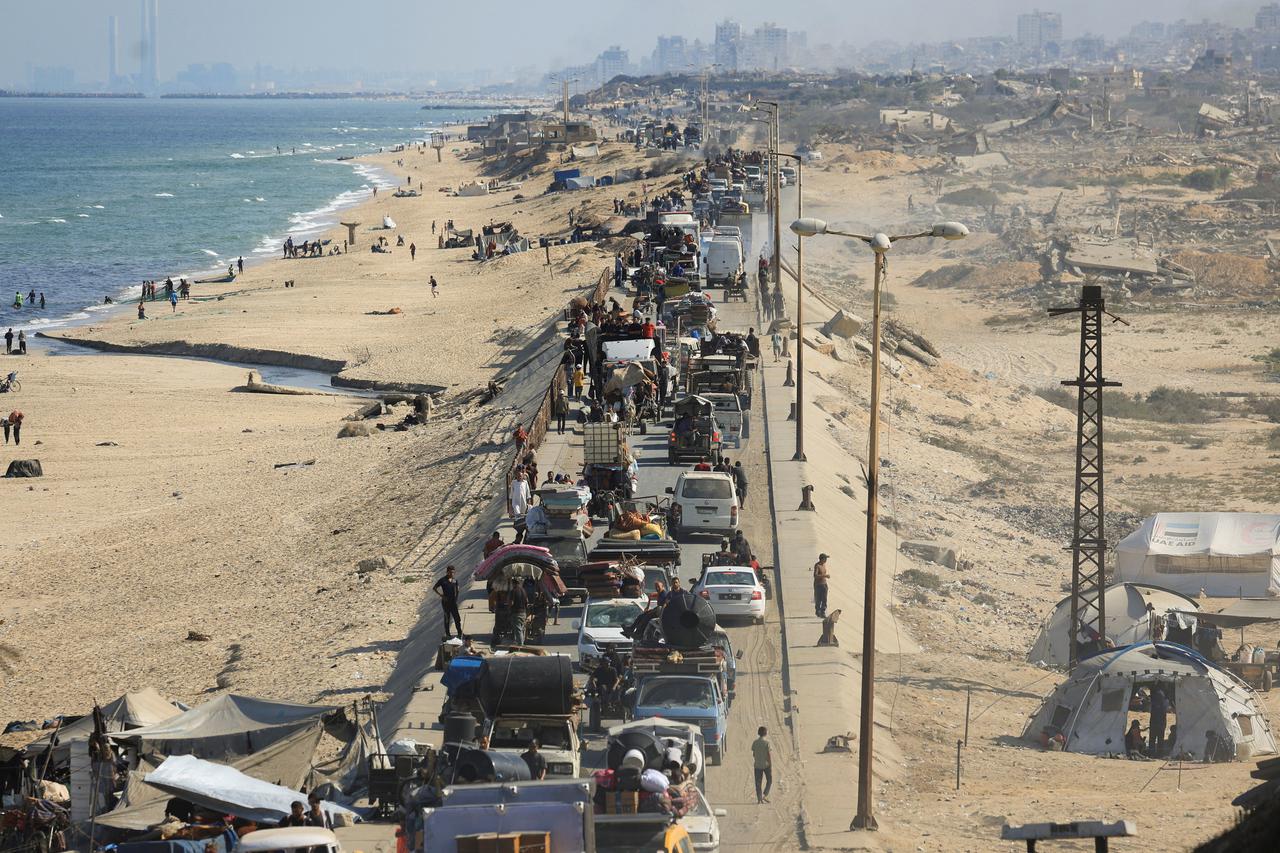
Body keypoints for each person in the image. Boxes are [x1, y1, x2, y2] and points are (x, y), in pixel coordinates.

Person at [434, 565, 463, 640]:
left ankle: (459, 633)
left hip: (453, 602)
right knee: (447, 618)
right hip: (445, 603)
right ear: (447, 572)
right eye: (450, 572)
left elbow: (458, 589)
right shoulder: (442, 580)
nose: (452, 574)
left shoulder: (454, 580)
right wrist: (441, 595)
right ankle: (448, 634)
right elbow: (434, 588)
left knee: (457, 618)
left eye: (453, 572)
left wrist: (456, 598)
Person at [752, 726, 773, 804]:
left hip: (757, 765)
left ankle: (759, 798)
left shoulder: (755, 742)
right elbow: (768, 755)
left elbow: (754, 754)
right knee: (769, 780)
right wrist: (770, 764)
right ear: (765, 733)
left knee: (758, 782)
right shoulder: (767, 743)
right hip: (766, 765)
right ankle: (765, 795)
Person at [1149, 686, 1170, 755]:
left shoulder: (1154, 704)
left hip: (1154, 724)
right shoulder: (1165, 704)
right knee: (1160, 739)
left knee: (1152, 739)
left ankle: (1152, 753)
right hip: (1161, 724)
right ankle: (1159, 753)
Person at [509, 580, 529, 645]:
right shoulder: (523, 590)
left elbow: (511, 603)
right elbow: (527, 601)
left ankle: (520, 645)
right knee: (522, 629)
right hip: (523, 612)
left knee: (518, 630)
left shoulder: (513, 591)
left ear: (513, 583)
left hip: (516, 613)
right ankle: (520, 642)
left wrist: (508, 607)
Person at [813, 554, 830, 618]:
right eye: (825, 558)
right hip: (818, 585)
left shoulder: (824, 565)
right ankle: (818, 611)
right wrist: (825, 576)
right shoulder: (817, 566)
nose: (826, 560)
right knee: (818, 599)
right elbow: (815, 575)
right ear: (822, 559)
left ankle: (823, 612)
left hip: (824, 585)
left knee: (824, 599)